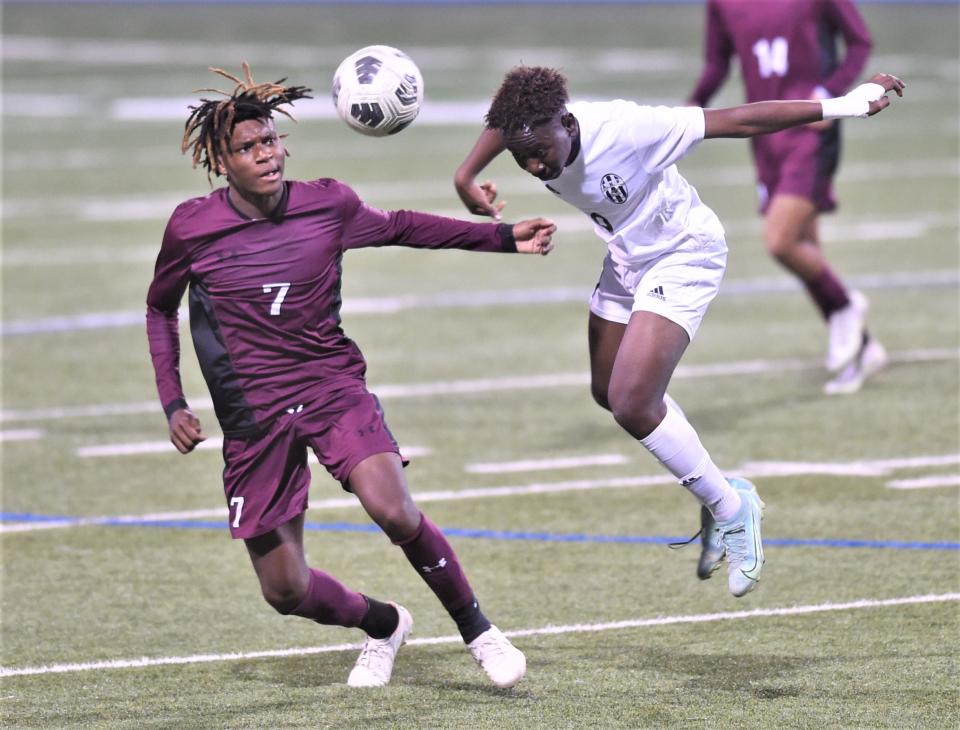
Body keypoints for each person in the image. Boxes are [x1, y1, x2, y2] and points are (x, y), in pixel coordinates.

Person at [146, 63, 556, 689]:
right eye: (248, 147)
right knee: (285, 590)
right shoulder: (192, 227)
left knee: (392, 509)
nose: (267, 155)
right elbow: (158, 307)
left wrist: (500, 238)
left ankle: (480, 631)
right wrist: (172, 401)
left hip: (330, 388)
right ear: (220, 162)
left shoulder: (327, 204)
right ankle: (385, 624)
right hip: (252, 419)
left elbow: (400, 228)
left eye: (271, 141)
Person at [454, 66, 903, 595]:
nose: (532, 164)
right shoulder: (527, 129)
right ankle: (720, 489)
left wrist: (844, 106)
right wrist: (464, 178)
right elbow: (504, 125)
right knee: (608, 392)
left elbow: (737, 120)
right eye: (519, 155)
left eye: (540, 153)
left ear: (568, 124)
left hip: (684, 253)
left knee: (632, 401)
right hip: (627, 257)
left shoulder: (628, 130)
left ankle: (732, 509)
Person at [687, 0, 887, 395]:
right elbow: (717, 64)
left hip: (811, 132)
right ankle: (864, 350)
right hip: (764, 137)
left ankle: (846, 307)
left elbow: (860, 42)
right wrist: (687, 115)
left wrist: (829, 95)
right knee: (806, 248)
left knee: (780, 240)